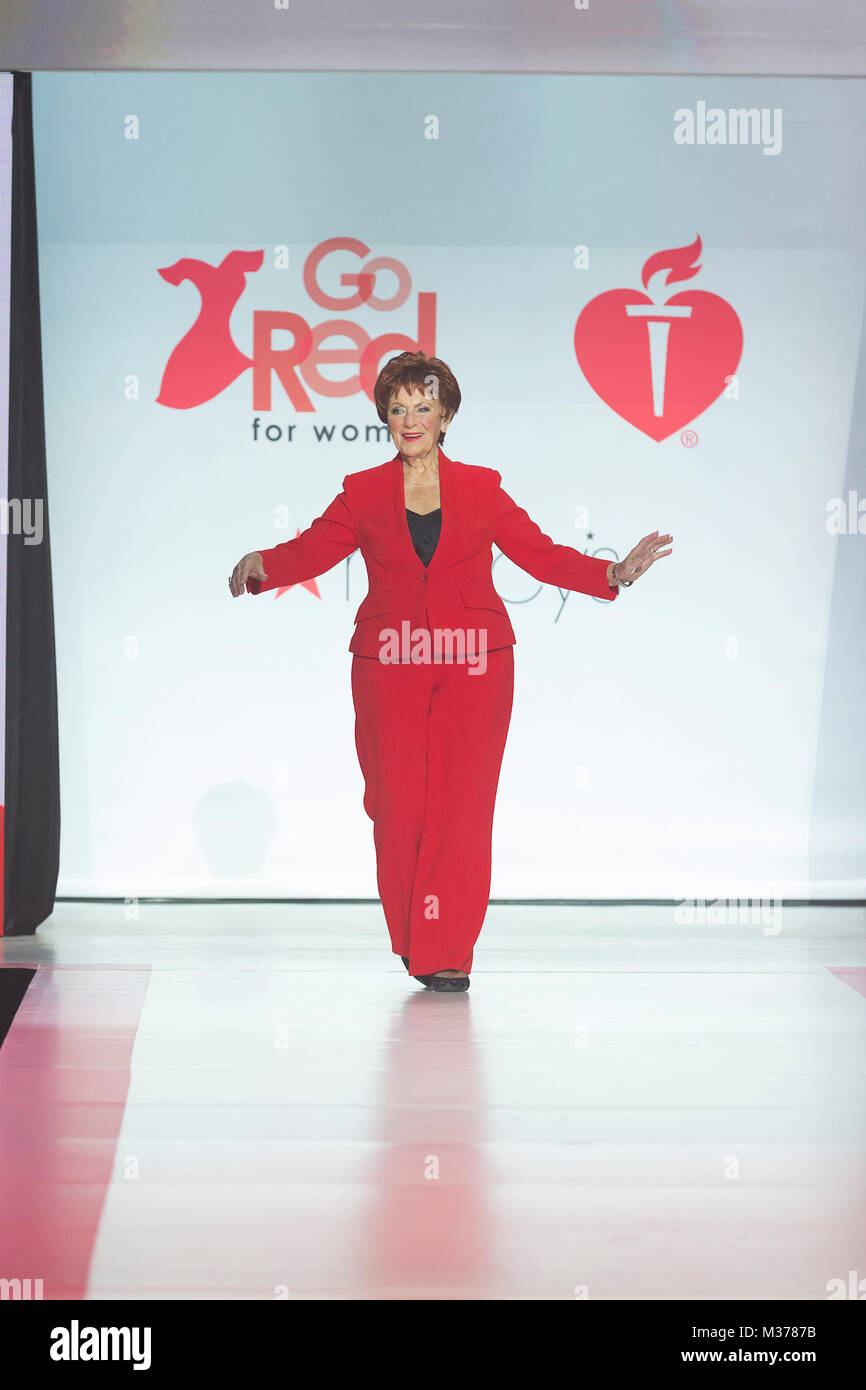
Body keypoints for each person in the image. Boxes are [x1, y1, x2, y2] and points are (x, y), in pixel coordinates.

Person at [229, 352, 672, 991]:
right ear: (385, 418)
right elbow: (313, 549)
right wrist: (262, 562)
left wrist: (612, 573)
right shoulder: (361, 491)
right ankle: (415, 936)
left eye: (423, 408)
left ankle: (446, 953)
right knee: (396, 804)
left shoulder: (482, 487)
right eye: (398, 409)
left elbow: (538, 554)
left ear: (446, 416)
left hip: (475, 663)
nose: (410, 420)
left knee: (461, 808)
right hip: (390, 662)